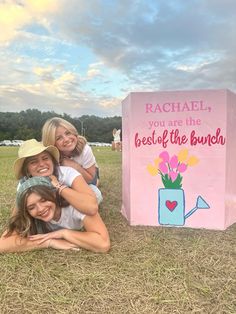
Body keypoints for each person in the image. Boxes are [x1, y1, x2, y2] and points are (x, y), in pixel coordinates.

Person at [0, 176, 110, 253]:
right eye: (31, 207)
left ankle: (96, 183)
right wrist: (49, 242)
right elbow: (3, 244)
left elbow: (103, 243)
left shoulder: (77, 206)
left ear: (52, 194)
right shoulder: (30, 217)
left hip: (89, 193)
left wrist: (64, 233)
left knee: (95, 193)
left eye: (43, 200)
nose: (40, 209)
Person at [13, 139, 102, 213]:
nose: (41, 164)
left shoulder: (66, 172)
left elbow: (91, 206)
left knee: (95, 193)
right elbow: (17, 217)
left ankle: (97, 181)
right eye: (33, 162)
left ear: (52, 161)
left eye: (45, 158)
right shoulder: (24, 185)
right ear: (27, 170)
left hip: (80, 191)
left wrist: (58, 186)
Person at [42, 117, 100, 186]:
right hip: (71, 177)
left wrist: (74, 166)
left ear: (73, 132)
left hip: (89, 172)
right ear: (52, 143)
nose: (66, 139)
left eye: (68, 133)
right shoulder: (49, 155)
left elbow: (89, 179)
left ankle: (97, 180)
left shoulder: (85, 149)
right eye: (59, 138)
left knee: (93, 185)